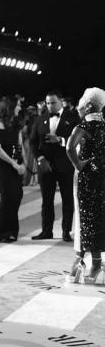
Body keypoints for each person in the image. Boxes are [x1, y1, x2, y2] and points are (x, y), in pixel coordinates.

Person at [65, 87, 105, 283]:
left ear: (88, 106)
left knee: (83, 218)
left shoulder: (84, 127)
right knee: (98, 218)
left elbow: (69, 147)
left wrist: (78, 164)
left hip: (86, 178)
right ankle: (93, 261)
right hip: (102, 178)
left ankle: (82, 260)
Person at [30, 91, 79, 241]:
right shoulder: (40, 119)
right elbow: (33, 142)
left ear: (60, 102)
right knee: (46, 200)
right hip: (46, 166)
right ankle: (46, 231)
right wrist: (40, 158)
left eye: (53, 102)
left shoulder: (72, 117)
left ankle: (66, 232)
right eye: (48, 103)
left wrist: (59, 140)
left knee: (67, 200)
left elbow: (78, 140)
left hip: (65, 164)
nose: (50, 106)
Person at [0, 96, 27, 242]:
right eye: (17, 105)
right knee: (8, 196)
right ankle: (3, 232)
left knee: (17, 195)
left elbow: (20, 145)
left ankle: (12, 230)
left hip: (15, 164)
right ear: (9, 107)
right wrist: (14, 164)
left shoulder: (15, 124)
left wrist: (23, 163)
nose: (19, 108)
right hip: (2, 165)